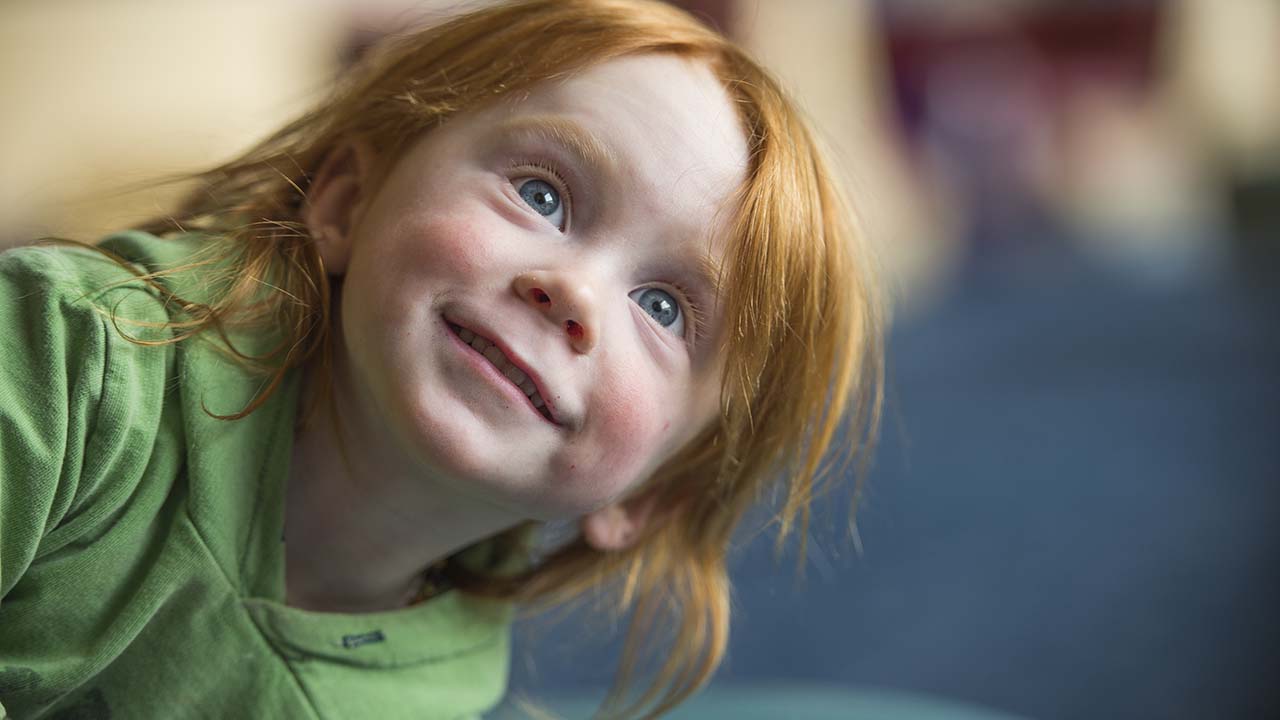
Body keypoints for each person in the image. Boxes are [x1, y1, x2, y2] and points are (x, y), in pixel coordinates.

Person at [0, 0, 883, 717]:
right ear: (347, 203)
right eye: (542, 194)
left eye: (664, 308)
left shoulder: (438, 690)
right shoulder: (72, 356)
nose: (572, 293)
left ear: (654, 493)